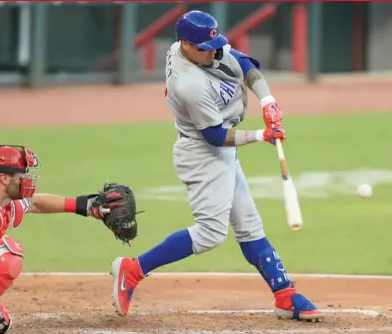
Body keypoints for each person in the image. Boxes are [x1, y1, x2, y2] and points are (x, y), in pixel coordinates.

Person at [110, 10, 323, 322]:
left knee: (249, 225)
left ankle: (284, 293)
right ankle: (132, 270)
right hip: (202, 153)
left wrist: (268, 101)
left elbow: (244, 62)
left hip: (220, 148)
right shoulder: (189, 84)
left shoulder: (200, 47)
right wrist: (262, 135)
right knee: (210, 233)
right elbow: (215, 136)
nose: (213, 53)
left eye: (214, 46)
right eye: (205, 49)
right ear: (186, 44)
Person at [0, 144, 118, 333]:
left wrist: (86, 206)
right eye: (21, 176)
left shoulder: (0, 203)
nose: (27, 180)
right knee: (4, 254)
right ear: (4, 178)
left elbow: (35, 203)